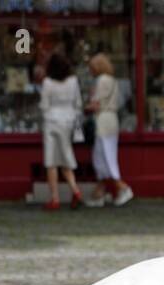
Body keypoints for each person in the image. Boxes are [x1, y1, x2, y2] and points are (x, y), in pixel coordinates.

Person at [84, 54, 133, 208]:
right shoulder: (113, 80)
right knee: (103, 155)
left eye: (92, 67)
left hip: (103, 121)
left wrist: (83, 107)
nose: (90, 70)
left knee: (104, 156)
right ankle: (99, 192)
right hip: (112, 119)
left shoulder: (102, 81)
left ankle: (122, 187)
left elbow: (95, 104)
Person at [39, 52, 83, 211]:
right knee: (66, 157)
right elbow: (78, 103)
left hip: (52, 121)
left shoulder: (48, 83)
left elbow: (44, 104)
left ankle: (55, 198)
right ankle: (75, 190)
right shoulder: (73, 81)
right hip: (69, 121)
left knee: (51, 162)